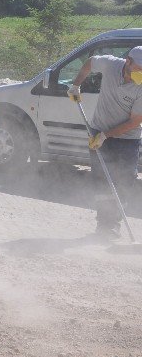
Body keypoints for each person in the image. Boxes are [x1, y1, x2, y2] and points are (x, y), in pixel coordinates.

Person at [67, 47, 142, 239]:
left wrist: (105, 136)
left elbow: (135, 121)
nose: (141, 74)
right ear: (128, 62)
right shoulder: (111, 64)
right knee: (101, 180)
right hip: (99, 130)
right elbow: (90, 62)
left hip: (127, 140)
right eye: (139, 69)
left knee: (123, 181)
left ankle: (114, 225)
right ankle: (103, 226)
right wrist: (76, 85)